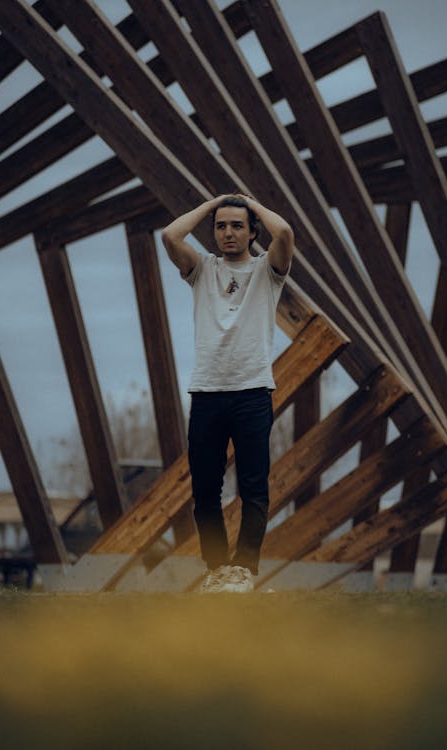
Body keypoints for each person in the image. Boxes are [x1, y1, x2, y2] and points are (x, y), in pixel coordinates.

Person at [162, 194, 294, 592]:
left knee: (253, 485)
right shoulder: (201, 268)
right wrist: (214, 203)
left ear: (253, 231)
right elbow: (170, 235)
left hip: (252, 391)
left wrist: (250, 202)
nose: (228, 232)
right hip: (207, 392)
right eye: (221, 226)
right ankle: (217, 568)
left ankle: (244, 570)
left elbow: (284, 231)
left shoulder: (267, 270)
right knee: (204, 488)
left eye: (237, 225)